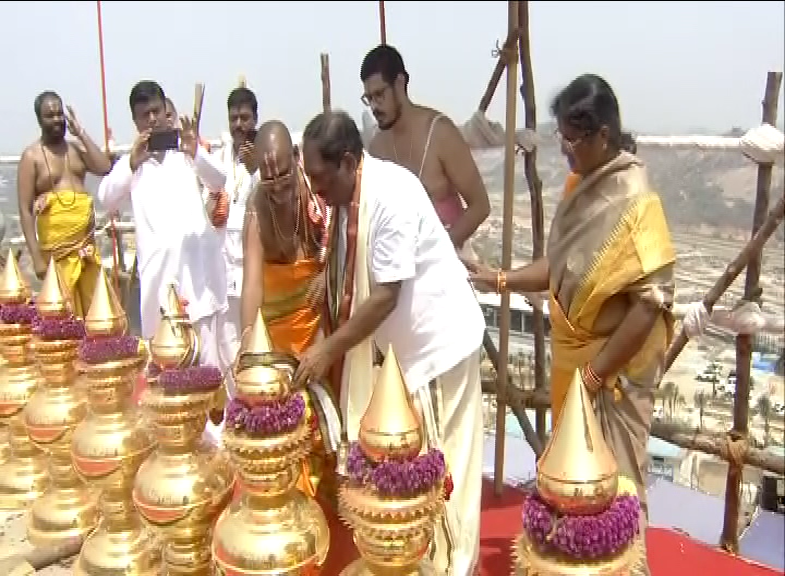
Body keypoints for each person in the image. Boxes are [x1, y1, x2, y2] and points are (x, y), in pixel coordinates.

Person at [466, 74, 675, 574]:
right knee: (570, 490)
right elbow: (556, 266)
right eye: (559, 137)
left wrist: (596, 375)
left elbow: (649, 305)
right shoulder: (581, 185)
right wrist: (498, 278)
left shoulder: (636, 199)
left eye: (571, 139)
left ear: (602, 135)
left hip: (611, 378)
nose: (564, 150)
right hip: (575, 369)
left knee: (616, 492)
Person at [295, 110, 485, 576]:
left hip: (438, 352)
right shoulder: (351, 196)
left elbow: (384, 296)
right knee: (414, 471)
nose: (316, 192)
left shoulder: (390, 196)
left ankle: (450, 567)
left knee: (444, 474)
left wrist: (327, 350)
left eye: (319, 179)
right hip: (408, 359)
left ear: (346, 163)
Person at [96, 80, 237, 384]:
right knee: (166, 380)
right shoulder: (132, 165)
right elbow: (106, 198)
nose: (152, 119)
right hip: (158, 288)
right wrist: (131, 163)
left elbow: (219, 181)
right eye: (144, 114)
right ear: (135, 121)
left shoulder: (185, 154)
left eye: (156, 111)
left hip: (198, 284)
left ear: (165, 110)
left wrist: (194, 152)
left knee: (208, 374)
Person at [239, 119, 338, 500]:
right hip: (275, 334)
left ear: (296, 161)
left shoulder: (317, 201)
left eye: (284, 175)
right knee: (281, 422)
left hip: (317, 325)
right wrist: (249, 347)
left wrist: (326, 276)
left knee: (319, 422)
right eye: (269, 179)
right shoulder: (256, 210)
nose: (278, 187)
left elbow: (342, 253)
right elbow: (252, 284)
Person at [360, 44, 490, 258]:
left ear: (400, 83)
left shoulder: (439, 133)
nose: (374, 106)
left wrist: (437, 253)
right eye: (369, 98)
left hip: (449, 260)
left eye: (379, 94)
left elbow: (480, 206)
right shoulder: (376, 149)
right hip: (400, 267)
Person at [17, 91, 112, 315]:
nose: (57, 119)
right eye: (50, 115)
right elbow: (25, 209)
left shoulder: (76, 150)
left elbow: (104, 167)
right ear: (39, 120)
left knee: (96, 315)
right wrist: (37, 258)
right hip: (56, 256)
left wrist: (80, 133)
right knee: (63, 316)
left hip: (86, 251)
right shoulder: (31, 157)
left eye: (60, 114)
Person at [214, 87, 260, 351]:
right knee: (227, 347)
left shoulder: (266, 155)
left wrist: (256, 169)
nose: (239, 125)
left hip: (253, 270)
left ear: (255, 119)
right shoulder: (220, 158)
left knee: (254, 343)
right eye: (234, 119)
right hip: (223, 272)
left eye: (244, 118)